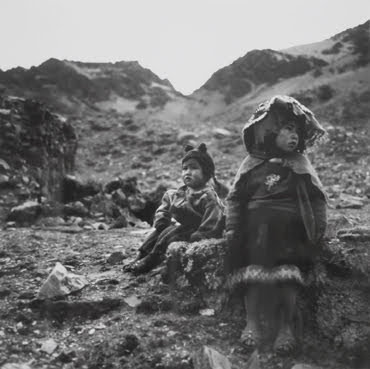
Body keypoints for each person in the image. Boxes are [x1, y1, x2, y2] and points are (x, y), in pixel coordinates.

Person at [225, 95, 328, 354]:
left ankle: (286, 327)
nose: (295, 136)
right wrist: (231, 229)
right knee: (252, 275)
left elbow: (317, 198)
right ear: (271, 131)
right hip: (254, 231)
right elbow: (236, 198)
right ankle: (251, 323)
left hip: (289, 231)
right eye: (288, 129)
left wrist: (318, 230)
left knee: (287, 278)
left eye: (298, 131)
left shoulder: (300, 163)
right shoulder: (251, 164)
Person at [124, 143, 225, 275]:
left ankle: (151, 260)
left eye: (194, 168)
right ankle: (140, 256)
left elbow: (212, 221)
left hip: (196, 230)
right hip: (184, 227)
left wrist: (199, 236)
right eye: (185, 168)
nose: (188, 172)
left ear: (206, 173)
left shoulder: (208, 197)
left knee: (172, 234)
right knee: (157, 233)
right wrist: (162, 218)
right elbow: (164, 207)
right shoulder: (178, 193)